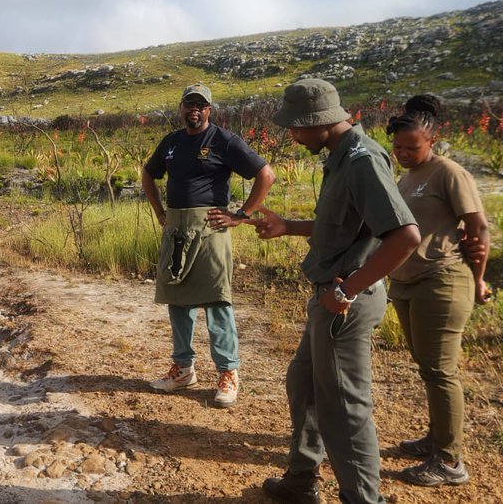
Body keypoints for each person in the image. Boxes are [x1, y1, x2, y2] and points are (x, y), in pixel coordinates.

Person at [245, 79, 420, 504]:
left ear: (318, 123)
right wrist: (289, 226)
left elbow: (405, 236)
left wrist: (346, 294)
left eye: (296, 128)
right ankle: (302, 479)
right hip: (331, 297)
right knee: (303, 383)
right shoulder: (341, 157)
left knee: (344, 408)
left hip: (345, 300)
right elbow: (344, 226)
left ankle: (363, 499)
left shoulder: (362, 161)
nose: (292, 135)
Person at [141, 83, 275, 408]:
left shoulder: (223, 140)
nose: (194, 110)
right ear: (181, 107)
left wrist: (241, 215)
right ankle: (183, 370)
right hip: (176, 231)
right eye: (189, 103)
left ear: (210, 110)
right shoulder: (171, 142)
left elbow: (265, 174)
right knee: (178, 301)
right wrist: (160, 211)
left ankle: (229, 373)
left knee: (217, 302)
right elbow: (148, 174)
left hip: (211, 230)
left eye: (201, 105)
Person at [386, 94, 491, 487]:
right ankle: (436, 439)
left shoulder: (448, 172)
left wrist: (480, 278)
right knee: (427, 367)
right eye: (398, 147)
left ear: (431, 139)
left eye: (412, 147)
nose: (404, 154)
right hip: (407, 281)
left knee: (440, 370)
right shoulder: (406, 178)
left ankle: (449, 462)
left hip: (443, 279)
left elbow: (477, 227)